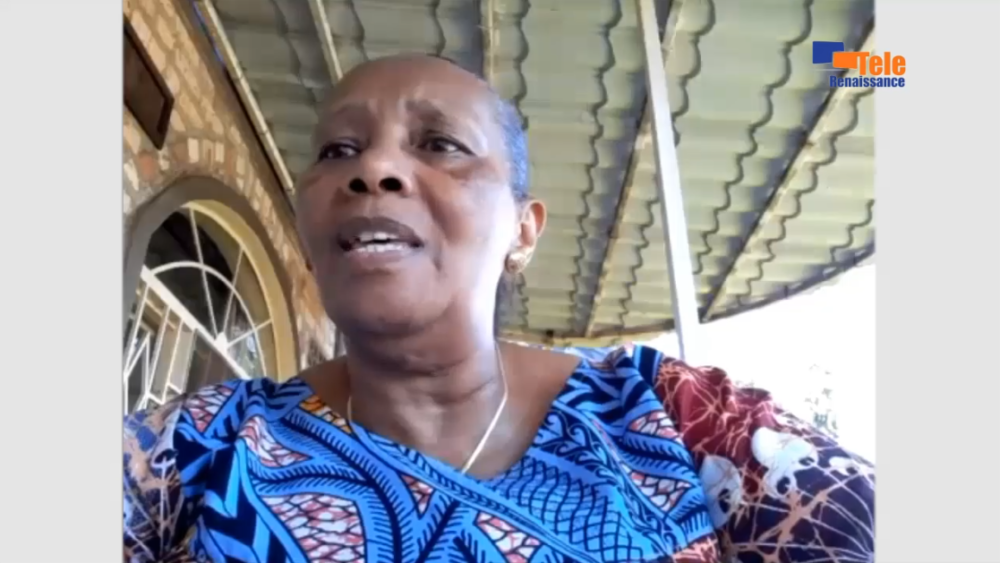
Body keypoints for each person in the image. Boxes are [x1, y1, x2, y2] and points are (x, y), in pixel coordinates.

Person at [123, 54, 875, 563]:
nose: (373, 167)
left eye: (440, 144)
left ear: (523, 230)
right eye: (337, 151)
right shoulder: (196, 449)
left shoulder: (672, 417)